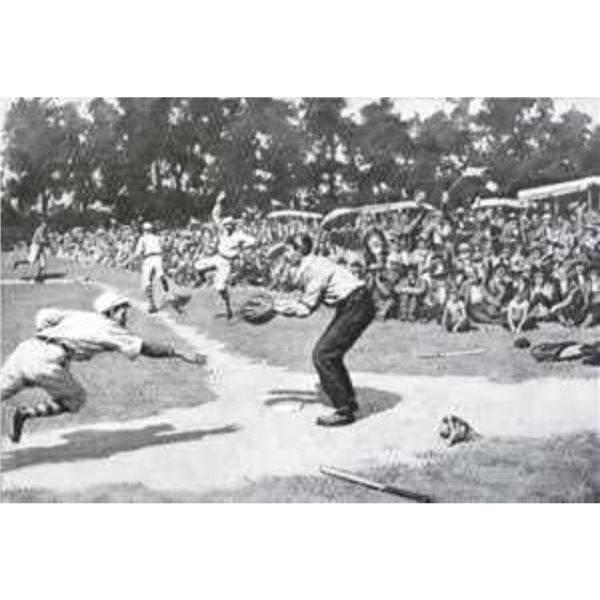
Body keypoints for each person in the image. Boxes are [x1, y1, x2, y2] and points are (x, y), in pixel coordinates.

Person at [1, 291, 205, 444]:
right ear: (112, 311)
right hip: (48, 361)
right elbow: (146, 348)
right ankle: (24, 413)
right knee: (76, 399)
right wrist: (177, 352)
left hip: (26, 349)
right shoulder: (110, 328)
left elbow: (44, 315)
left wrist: (48, 336)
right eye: (123, 310)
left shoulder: (82, 316)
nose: (126, 315)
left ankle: (21, 416)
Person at [274, 234, 375, 427]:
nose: (285, 254)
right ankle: (348, 400)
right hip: (355, 304)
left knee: (323, 355)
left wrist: (276, 308)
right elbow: (293, 285)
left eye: (288, 250)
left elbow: (305, 308)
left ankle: (344, 411)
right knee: (330, 354)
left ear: (299, 250)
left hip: (356, 305)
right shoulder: (311, 264)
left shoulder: (314, 268)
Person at [194, 197, 256, 319]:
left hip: (226, 263)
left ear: (233, 226)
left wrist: (243, 247)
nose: (227, 227)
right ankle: (202, 278)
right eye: (226, 225)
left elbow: (253, 241)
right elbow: (215, 216)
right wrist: (218, 202)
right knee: (197, 265)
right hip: (217, 257)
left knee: (220, 287)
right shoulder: (222, 231)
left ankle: (228, 307)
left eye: (230, 225)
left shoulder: (239, 235)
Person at [131, 221, 170, 313]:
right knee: (159, 272)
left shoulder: (142, 239)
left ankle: (152, 305)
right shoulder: (157, 238)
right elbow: (164, 247)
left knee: (146, 281)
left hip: (148, 258)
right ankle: (162, 279)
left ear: (144, 230)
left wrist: (133, 258)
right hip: (158, 256)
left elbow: (138, 252)